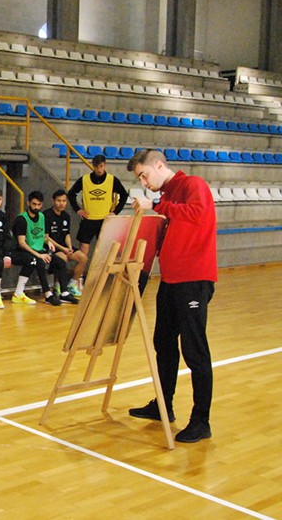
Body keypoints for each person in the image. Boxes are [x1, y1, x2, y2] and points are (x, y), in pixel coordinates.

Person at [126, 149, 217, 444]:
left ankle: (201, 421)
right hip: (171, 279)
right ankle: (162, 405)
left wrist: (156, 206)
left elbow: (197, 214)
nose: (144, 183)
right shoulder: (167, 195)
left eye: (144, 175)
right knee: (163, 342)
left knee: (194, 349)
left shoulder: (192, 185)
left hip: (193, 279)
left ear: (158, 164)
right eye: (140, 179)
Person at [11, 191, 75, 306]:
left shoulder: (42, 217)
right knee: (39, 262)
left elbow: (44, 236)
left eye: (39, 204)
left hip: (39, 250)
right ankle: (48, 294)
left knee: (60, 262)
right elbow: (22, 243)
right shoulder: (21, 219)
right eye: (34, 204)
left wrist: (48, 242)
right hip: (22, 251)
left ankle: (64, 293)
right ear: (28, 203)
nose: (36, 207)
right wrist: (39, 255)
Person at [67, 154, 129, 260]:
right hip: (88, 219)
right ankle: (82, 269)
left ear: (105, 165)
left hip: (105, 220)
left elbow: (124, 195)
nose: (99, 169)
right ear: (93, 166)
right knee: (84, 248)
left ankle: (102, 269)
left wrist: (115, 212)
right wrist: (78, 210)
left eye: (101, 166)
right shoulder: (84, 179)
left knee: (105, 249)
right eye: (96, 166)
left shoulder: (112, 180)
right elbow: (71, 194)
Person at [44, 189, 85, 297]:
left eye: (64, 201)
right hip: (52, 247)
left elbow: (67, 234)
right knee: (62, 258)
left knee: (83, 258)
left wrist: (70, 248)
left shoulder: (66, 216)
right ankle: (57, 286)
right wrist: (63, 249)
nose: (61, 204)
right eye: (59, 201)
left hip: (65, 246)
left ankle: (72, 284)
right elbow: (46, 237)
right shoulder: (46, 215)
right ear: (53, 201)